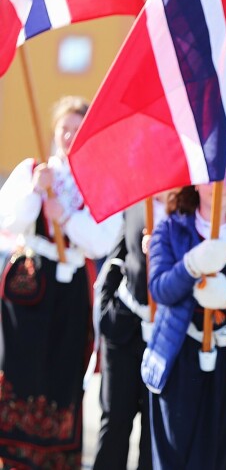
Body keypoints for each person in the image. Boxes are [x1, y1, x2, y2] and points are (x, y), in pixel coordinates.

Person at [0, 96, 122, 468]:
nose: (69, 137)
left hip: (71, 292)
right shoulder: (35, 170)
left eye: (77, 130)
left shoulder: (100, 183)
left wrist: (65, 217)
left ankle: (54, 454)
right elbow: (8, 221)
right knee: (18, 367)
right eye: (64, 129)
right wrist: (34, 192)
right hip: (30, 286)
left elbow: (103, 239)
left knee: (63, 369)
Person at [141, 145, 226, 469]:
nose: (219, 182)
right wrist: (190, 265)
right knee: (175, 454)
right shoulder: (171, 229)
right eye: (211, 174)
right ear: (196, 181)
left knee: (224, 456)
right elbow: (160, 288)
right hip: (180, 353)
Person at [93, 191, 170, 469]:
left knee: (154, 435)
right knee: (114, 424)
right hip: (123, 327)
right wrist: (106, 310)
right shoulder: (138, 203)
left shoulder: (186, 211)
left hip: (165, 337)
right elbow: (117, 257)